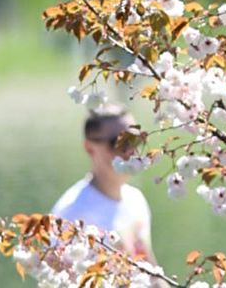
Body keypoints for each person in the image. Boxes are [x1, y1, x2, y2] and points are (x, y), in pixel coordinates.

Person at [51, 105, 153, 261]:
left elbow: (148, 268)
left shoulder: (136, 200)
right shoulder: (70, 213)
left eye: (134, 140)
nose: (130, 151)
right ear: (89, 148)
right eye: (118, 142)